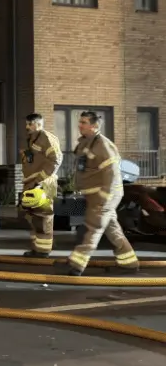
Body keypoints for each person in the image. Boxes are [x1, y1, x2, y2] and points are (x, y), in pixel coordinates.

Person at [68, 111, 139, 275]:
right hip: (96, 195)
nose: (80, 125)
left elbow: (113, 174)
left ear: (94, 126)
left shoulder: (103, 145)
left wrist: (105, 197)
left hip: (104, 195)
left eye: (84, 122)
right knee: (111, 228)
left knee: (93, 228)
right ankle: (129, 263)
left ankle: (76, 265)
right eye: (80, 122)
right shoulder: (86, 143)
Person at [19, 113, 63, 258]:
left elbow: (56, 160)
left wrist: (39, 180)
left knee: (44, 217)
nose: (27, 127)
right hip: (32, 183)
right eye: (27, 123)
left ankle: (43, 251)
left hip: (43, 184)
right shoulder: (31, 139)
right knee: (32, 216)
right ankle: (37, 248)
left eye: (30, 124)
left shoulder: (47, 139)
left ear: (38, 124)